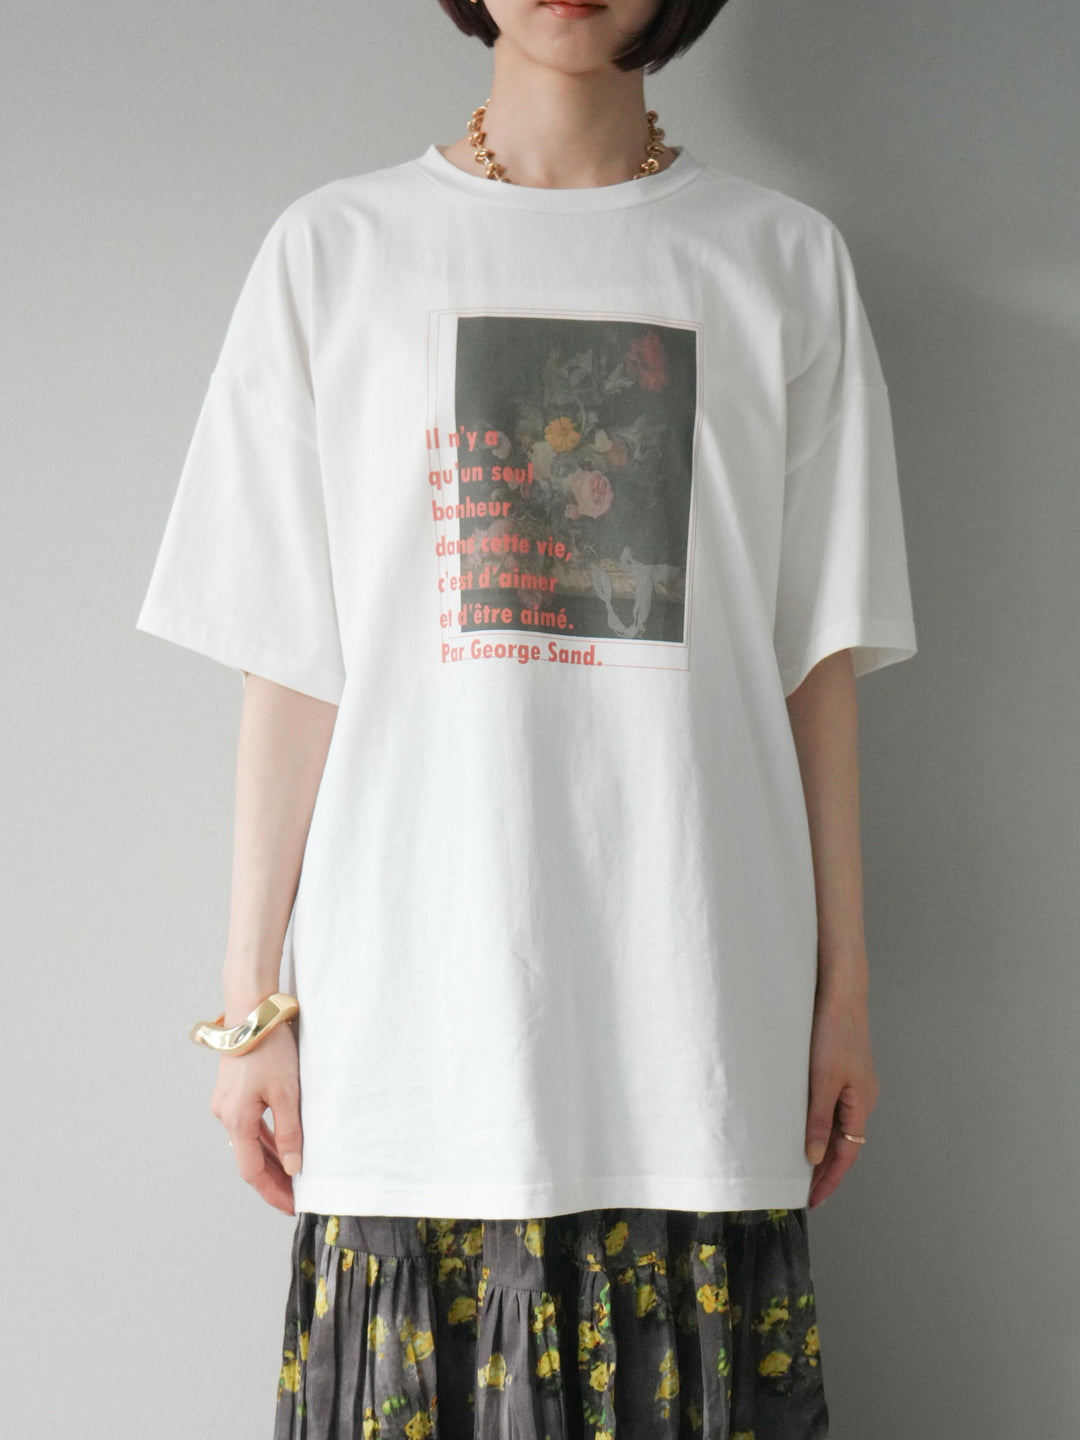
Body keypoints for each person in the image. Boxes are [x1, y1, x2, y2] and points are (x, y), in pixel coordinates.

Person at [135, 1, 918, 1435]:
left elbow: (814, 665)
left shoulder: (783, 260)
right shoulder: (335, 253)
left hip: (697, 1018)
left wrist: (846, 988)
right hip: (410, 1031)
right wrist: (250, 1007)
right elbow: (291, 664)